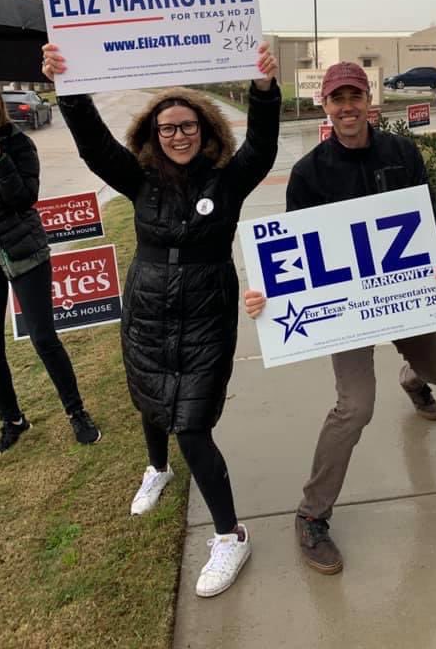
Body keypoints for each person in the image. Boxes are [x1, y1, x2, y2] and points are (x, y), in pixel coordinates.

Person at [42, 42, 280, 598]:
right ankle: (157, 468)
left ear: (207, 130)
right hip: (148, 307)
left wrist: (264, 90)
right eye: (168, 127)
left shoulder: (227, 180)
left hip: (205, 310)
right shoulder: (139, 180)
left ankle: (230, 534)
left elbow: (264, 146)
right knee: (148, 396)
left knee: (193, 425)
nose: (178, 135)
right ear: (153, 134)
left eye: (188, 125)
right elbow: (94, 145)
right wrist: (67, 86)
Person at [244, 61, 436, 574]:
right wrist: (267, 295)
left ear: (369, 100)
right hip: (348, 312)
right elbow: (294, 254)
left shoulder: (402, 154)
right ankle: (312, 515)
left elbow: (426, 220)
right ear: (325, 106)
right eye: (337, 99)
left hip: (405, 297)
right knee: (355, 407)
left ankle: (413, 380)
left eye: (354, 96)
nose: (347, 107)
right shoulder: (309, 173)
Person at [0, 77, 101, 456]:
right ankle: (12, 419)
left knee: (43, 337)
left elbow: (25, 198)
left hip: (24, 252)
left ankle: (76, 412)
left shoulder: (16, 143)